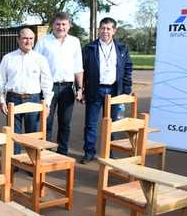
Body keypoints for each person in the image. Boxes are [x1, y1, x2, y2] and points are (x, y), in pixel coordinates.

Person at [80, 17, 133, 164]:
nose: (105, 31)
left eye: (108, 28)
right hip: (94, 90)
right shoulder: (89, 48)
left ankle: (108, 153)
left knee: (111, 124)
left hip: (114, 91)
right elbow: (82, 70)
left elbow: (128, 68)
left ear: (114, 31)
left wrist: (126, 89)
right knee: (91, 124)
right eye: (102, 28)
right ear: (98, 29)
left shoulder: (122, 49)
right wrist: (82, 90)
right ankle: (89, 152)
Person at [35, 12, 83, 156]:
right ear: (53, 25)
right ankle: (45, 152)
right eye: (57, 24)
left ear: (69, 26)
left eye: (64, 24)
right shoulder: (43, 41)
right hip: (48, 88)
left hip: (68, 88)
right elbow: (35, 63)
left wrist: (80, 88)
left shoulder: (75, 41)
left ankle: (62, 153)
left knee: (65, 123)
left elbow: (78, 67)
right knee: (46, 122)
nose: (60, 27)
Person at [0, 27, 54, 153]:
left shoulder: (40, 59)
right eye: (25, 38)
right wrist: (2, 100)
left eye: (31, 38)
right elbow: (1, 81)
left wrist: (47, 103)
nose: (28, 41)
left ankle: (32, 163)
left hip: (33, 100)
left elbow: (46, 82)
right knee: (13, 134)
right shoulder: (8, 58)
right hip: (13, 100)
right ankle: (14, 163)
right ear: (18, 40)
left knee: (33, 135)